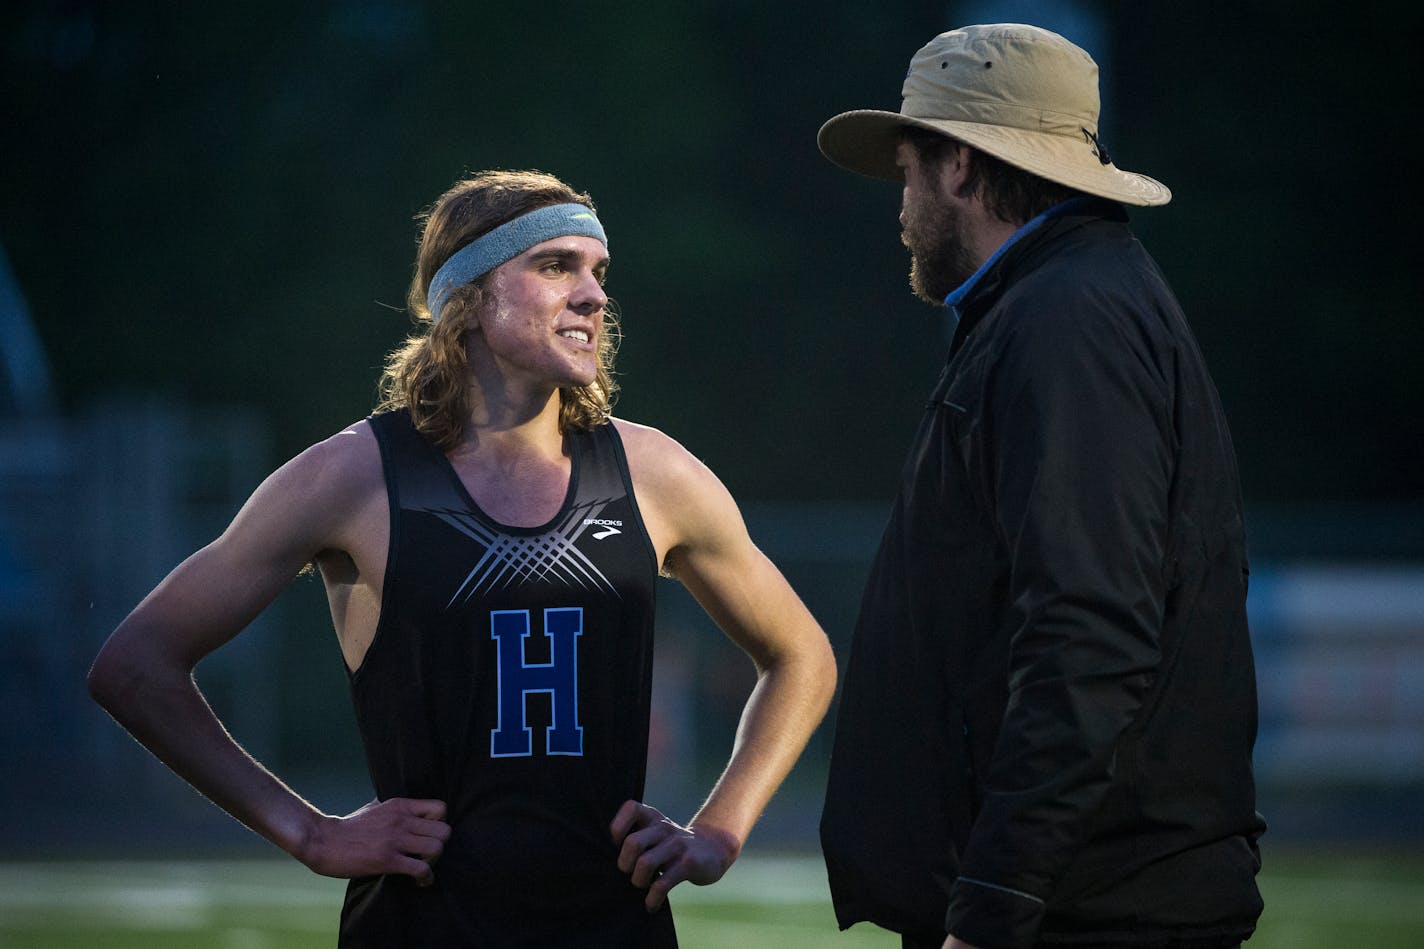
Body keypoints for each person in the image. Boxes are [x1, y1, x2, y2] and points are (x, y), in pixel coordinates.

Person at [88, 169, 837, 947]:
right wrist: (308, 832)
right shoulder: (353, 476)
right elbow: (135, 665)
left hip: (616, 929)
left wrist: (720, 829)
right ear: (472, 297)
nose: (594, 295)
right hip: (422, 928)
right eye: (556, 266)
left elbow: (802, 655)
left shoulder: (655, 474)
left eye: (598, 271)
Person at [814, 23, 1266, 949]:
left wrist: (993, 899)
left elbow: (1088, 634)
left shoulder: (1065, 325)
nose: (900, 207)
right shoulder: (1063, 301)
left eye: (909, 170)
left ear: (964, 170)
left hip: (1078, 914)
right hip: (1074, 902)